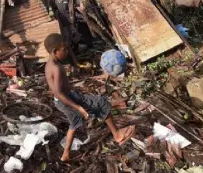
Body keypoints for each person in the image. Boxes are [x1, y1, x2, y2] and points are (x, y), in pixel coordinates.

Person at [44, 33, 135, 161]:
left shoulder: (49, 64)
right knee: (101, 104)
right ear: (55, 51)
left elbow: (57, 91)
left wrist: (75, 64)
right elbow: (58, 92)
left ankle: (66, 155)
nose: (67, 51)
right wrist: (78, 107)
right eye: (64, 49)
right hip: (66, 99)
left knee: (78, 120)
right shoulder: (57, 68)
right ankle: (118, 135)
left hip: (63, 99)